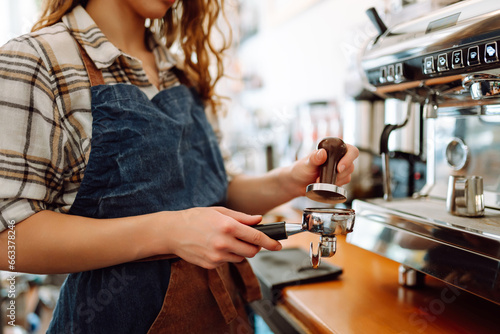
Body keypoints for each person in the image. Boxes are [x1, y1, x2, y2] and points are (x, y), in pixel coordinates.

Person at [0, 0, 359, 333]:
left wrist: (291, 180)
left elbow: (218, 192)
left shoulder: (181, 75)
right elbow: (8, 238)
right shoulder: (35, 62)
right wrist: (168, 232)